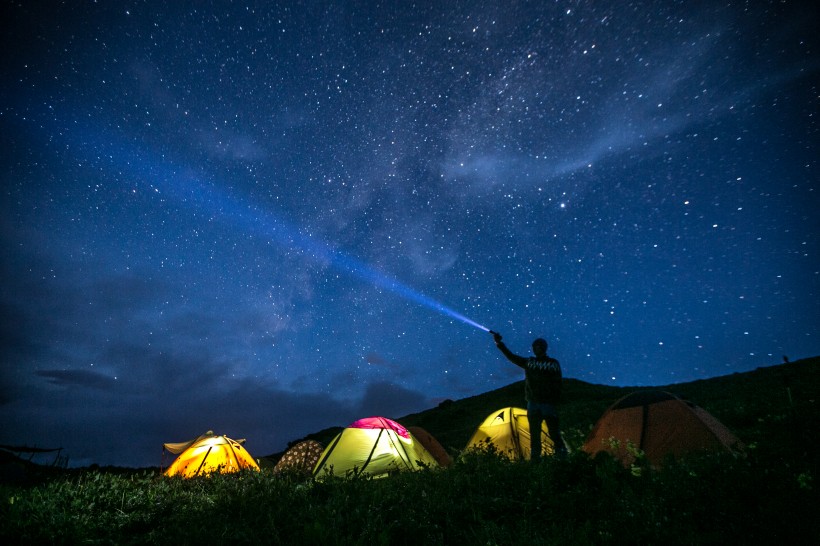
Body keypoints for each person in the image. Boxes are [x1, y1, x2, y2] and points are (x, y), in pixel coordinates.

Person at [490, 330, 567, 461]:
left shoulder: (552, 363)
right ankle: (536, 460)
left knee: (553, 433)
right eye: (535, 347)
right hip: (534, 404)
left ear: (543, 348)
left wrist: (554, 400)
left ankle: (561, 457)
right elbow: (512, 357)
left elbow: (558, 383)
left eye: (538, 347)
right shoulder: (530, 362)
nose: (536, 349)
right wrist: (499, 343)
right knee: (535, 435)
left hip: (547, 404)